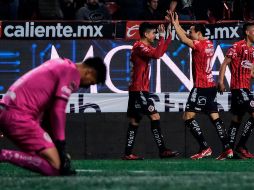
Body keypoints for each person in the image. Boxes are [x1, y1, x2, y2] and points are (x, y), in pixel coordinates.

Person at [0, 57, 106, 176]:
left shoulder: (60, 64)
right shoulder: (72, 73)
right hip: (19, 116)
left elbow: (48, 117)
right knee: (54, 166)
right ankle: (2, 155)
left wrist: (56, 147)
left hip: (7, 111)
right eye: (91, 82)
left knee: (47, 159)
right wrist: (61, 145)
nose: (86, 86)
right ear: (89, 72)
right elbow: (58, 110)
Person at [167, 11, 233, 160]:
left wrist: (174, 24)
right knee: (214, 117)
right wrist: (177, 24)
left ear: (198, 33)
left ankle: (205, 147)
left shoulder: (199, 46)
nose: (190, 33)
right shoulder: (208, 43)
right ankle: (228, 149)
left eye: (192, 31)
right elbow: (187, 36)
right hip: (210, 87)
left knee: (188, 117)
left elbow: (184, 39)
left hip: (201, 87)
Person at [122, 22, 179, 160]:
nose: (154, 35)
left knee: (135, 120)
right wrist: (161, 37)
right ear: (146, 34)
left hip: (138, 90)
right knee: (155, 116)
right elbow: (158, 54)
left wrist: (167, 35)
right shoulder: (139, 46)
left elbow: (160, 51)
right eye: (153, 33)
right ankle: (163, 150)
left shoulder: (143, 46)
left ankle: (128, 153)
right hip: (139, 90)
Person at [218, 22, 254, 159]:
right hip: (239, 89)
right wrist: (220, 81)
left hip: (245, 89)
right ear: (247, 32)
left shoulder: (252, 51)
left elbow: (251, 73)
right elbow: (225, 63)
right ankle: (241, 146)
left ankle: (229, 150)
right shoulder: (237, 46)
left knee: (237, 119)